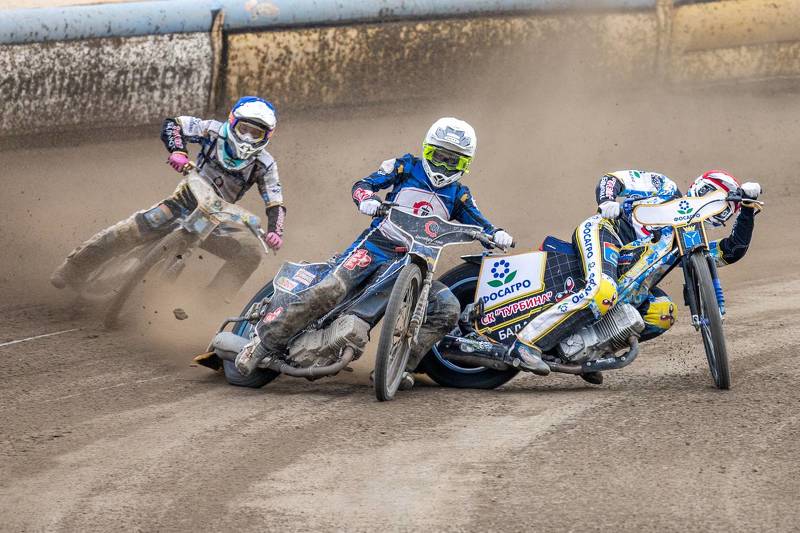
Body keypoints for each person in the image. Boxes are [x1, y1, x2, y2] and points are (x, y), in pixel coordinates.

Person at [234, 117, 531, 382]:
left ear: (465, 164)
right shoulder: (406, 166)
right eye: (438, 157)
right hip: (378, 245)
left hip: (420, 262)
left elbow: (481, 223)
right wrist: (366, 199)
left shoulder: (460, 196)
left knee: (447, 309)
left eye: (452, 161)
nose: (442, 166)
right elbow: (364, 184)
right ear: (427, 150)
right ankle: (261, 344)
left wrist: (497, 234)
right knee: (331, 289)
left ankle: (399, 368)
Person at [507, 169, 762, 384]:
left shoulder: (690, 243)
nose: (721, 214)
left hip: (629, 286)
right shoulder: (665, 187)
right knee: (603, 291)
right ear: (704, 190)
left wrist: (748, 210)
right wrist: (607, 201)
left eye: (727, 211)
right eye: (720, 204)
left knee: (663, 313)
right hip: (606, 231)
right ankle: (525, 344)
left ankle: (588, 353)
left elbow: (731, 251)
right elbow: (612, 179)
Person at [51, 96, 286, 298]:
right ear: (232, 122)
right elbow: (174, 124)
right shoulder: (212, 130)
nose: (247, 137)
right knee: (132, 228)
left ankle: (209, 304)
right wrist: (178, 151)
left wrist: (275, 231)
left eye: (256, 133)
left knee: (250, 253)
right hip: (185, 200)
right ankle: (74, 267)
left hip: (215, 219)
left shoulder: (265, 164)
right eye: (244, 129)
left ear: (267, 136)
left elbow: (275, 201)